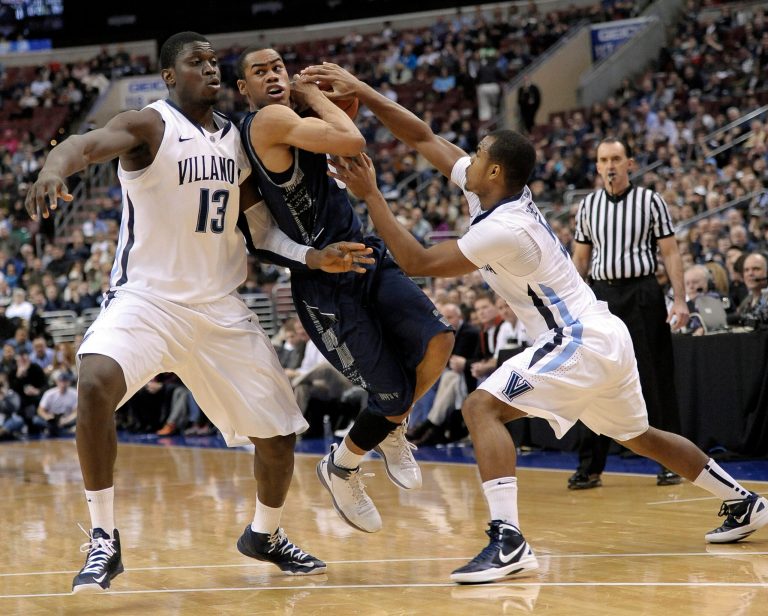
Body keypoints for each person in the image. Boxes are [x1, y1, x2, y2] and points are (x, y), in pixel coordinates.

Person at [301, 63, 768, 585]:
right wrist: (363, 89)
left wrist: (371, 195)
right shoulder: (495, 193)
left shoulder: (507, 227)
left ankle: (509, 540)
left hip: (578, 338)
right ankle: (743, 500)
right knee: (641, 437)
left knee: (481, 407)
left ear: (495, 170)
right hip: (599, 331)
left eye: (478, 154)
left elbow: (418, 262)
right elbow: (424, 136)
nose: (469, 159)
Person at [24, 32, 375, 594]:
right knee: (94, 380)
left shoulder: (239, 139)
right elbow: (86, 145)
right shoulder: (148, 125)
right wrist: (52, 168)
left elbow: (258, 229)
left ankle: (264, 534)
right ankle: (104, 539)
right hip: (149, 300)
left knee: (280, 434)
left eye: (214, 62)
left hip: (219, 307)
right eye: (196, 62)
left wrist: (312, 256)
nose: (209, 70)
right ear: (170, 75)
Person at [235, 48, 454, 534]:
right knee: (394, 391)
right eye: (260, 71)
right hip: (323, 286)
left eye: (278, 68)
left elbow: (346, 142)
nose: (273, 75)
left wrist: (327, 101)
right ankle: (355, 454)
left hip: (364, 251)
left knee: (439, 339)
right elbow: (350, 137)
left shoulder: (293, 119)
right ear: (243, 88)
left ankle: (366, 444)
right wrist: (314, 92)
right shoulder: (266, 121)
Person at [569, 137, 690, 490]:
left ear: (630, 164)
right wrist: (574, 306)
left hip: (643, 292)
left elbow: (670, 252)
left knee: (656, 376)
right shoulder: (588, 206)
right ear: (597, 166)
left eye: (616, 159)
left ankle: (672, 462)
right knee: (594, 378)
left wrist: (679, 300)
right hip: (601, 296)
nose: (610, 165)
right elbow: (579, 259)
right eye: (604, 159)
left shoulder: (651, 201)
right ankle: (590, 467)